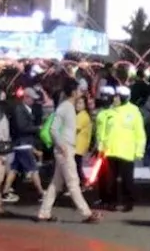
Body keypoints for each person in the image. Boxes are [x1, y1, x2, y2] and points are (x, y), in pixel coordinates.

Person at [36, 77, 100, 224]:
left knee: (56, 183)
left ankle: (44, 212)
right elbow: (53, 129)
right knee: (73, 182)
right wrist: (62, 145)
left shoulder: (68, 107)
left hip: (66, 148)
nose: (80, 92)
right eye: (78, 89)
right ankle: (86, 213)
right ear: (73, 92)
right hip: (65, 149)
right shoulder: (65, 107)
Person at [104, 85, 145, 212]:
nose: (115, 99)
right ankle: (112, 202)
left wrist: (139, 150)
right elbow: (104, 130)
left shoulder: (134, 111)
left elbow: (140, 133)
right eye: (115, 96)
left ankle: (129, 202)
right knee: (111, 179)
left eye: (118, 97)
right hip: (111, 150)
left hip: (127, 151)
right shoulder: (110, 110)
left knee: (127, 179)